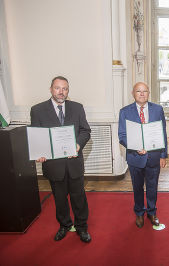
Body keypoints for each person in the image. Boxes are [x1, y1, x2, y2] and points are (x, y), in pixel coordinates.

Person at [30, 76, 92, 243]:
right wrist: (39, 152)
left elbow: (85, 131)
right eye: (57, 88)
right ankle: (64, 225)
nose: (61, 92)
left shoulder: (77, 108)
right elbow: (37, 136)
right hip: (53, 165)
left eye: (64, 88)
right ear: (51, 89)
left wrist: (78, 145)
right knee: (59, 198)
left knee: (79, 197)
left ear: (68, 91)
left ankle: (81, 226)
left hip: (74, 163)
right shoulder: (37, 110)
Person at [118, 82, 167, 228]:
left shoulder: (158, 110)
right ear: (133, 93)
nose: (142, 94)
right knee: (137, 187)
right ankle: (139, 212)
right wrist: (135, 146)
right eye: (138, 91)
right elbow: (122, 135)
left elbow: (162, 132)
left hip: (154, 156)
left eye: (145, 91)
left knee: (152, 186)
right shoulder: (125, 111)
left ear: (148, 93)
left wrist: (163, 155)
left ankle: (152, 212)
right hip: (135, 157)